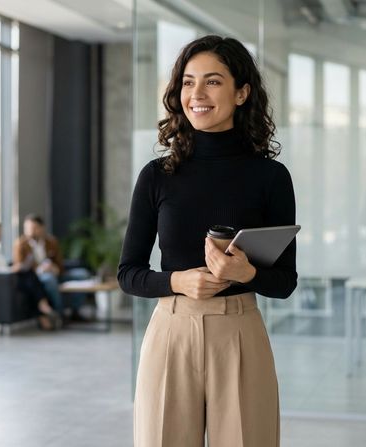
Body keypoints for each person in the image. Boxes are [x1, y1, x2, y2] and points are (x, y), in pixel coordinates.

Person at [118, 35, 297, 447]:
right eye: (187, 81)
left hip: (239, 333)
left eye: (213, 81)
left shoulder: (270, 177)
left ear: (242, 92)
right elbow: (128, 273)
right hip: (170, 332)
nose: (196, 94)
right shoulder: (156, 175)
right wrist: (178, 282)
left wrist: (246, 272)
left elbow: (285, 281)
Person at [0, 222, 61, 330]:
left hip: (7, 276)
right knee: (30, 278)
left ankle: (42, 310)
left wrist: (14, 267)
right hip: (0, 280)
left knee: (29, 278)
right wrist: (9, 270)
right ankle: (44, 308)